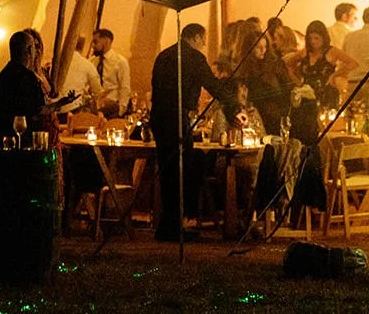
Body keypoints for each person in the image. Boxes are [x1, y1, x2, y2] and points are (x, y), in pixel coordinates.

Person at [150, 22, 245, 241]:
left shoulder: (164, 55)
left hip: (159, 116)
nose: (204, 44)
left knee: (168, 172)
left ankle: (168, 225)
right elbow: (213, 85)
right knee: (181, 172)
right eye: (203, 40)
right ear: (194, 37)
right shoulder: (193, 58)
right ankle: (173, 228)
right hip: (176, 116)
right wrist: (235, 107)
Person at [0, 30, 64, 139]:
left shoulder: (2, 75)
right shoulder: (27, 77)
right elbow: (37, 111)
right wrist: (58, 104)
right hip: (27, 141)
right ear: (29, 50)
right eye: (34, 47)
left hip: (6, 139)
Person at [286, 21, 359, 111]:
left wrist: (335, 75)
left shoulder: (332, 51)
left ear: (323, 38)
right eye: (310, 38)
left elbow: (353, 63)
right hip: (307, 95)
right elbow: (287, 65)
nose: (313, 41)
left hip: (327, 94)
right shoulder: (305, 52)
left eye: (316, 38)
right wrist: (297, 81)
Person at [236, 30, 295, 135]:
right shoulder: (244, 68)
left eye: (265, 47)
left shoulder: (274, 64)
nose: (263, 50)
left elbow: (287, 88)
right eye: (258, 47)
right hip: (254, 116)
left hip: (275, 116)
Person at [90, 28, 131, 118]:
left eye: (96, 42)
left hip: (111, 108)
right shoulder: (92, 61)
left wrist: (120, 111)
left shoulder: (120, 62)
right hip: (94, 108)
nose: (93, 46)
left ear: (106, 41)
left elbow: (125, 88)